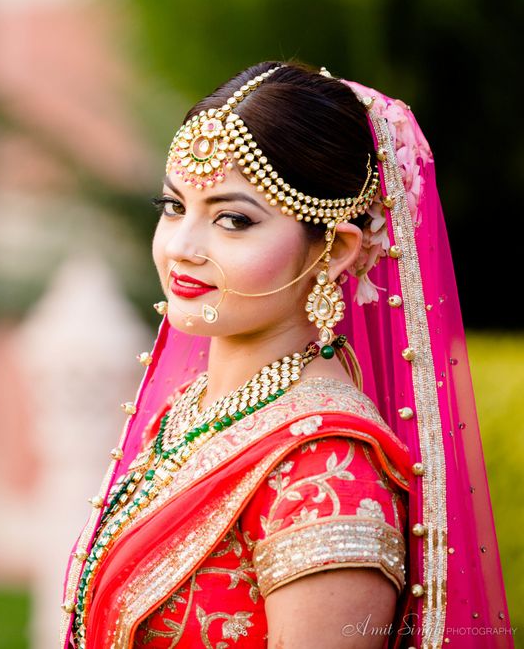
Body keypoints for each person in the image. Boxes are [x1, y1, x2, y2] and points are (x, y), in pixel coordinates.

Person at [59, 61, 512, 649]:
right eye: (173, 207)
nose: (182, 248)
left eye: (233, 220)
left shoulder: (328, 473)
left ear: (335, 249)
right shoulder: (191, 411)